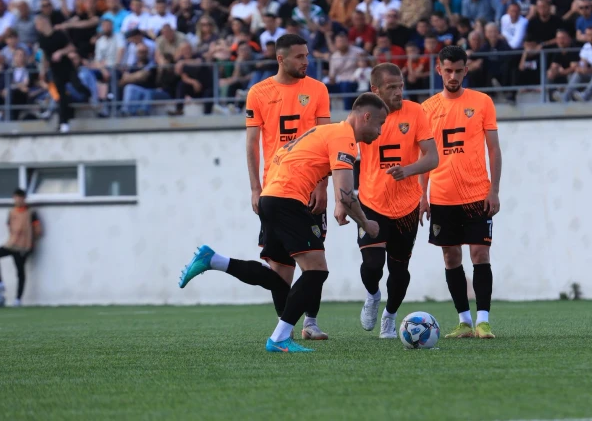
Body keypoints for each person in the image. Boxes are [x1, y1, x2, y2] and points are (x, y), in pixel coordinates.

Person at [182, 93, 387, 353]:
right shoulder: (345, 137)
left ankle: (214, 260)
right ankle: (279, 338)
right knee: (317, 271)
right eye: (380, 124)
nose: (380, 131)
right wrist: (366, 223)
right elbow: (346, 195)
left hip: (272, 197)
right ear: (366, 117)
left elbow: (292, 159)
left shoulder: (325, 131)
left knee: (279, 279)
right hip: (287, 201)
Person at [178, 34, 333, 341]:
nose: (306, 61)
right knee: (286, 270)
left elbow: (325, 140)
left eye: (307, 55)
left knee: (310, 263)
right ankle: (286, 328)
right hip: (278, 189)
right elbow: (252, 143)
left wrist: (322, 184)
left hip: (308, 186)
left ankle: (308, 323)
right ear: (281, 59)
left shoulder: (318, 89)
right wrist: (255, 188)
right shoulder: (259, 92)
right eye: (300, 57)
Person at [421, 45, 502, 339]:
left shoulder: (482, 102)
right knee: (451, 258)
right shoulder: (427, 109)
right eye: (448, 71)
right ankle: (464, 321)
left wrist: (494, 190)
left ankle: (483, 321)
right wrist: (422, 195)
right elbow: (425, 156)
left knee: (480, 253)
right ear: (439, 70)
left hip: (477, 194)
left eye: (458, 71)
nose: (453, 76)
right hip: (442, 196)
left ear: (466, 70)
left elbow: (494, 149)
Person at [357, 63, 439, 338]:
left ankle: (390, 316)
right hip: (371, 201)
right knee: (372, 265)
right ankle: (372, 295)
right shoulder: (364, 114)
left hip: (406, 205)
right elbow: (342, 151)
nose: (398, 92)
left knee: (399, 270)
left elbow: (432, 157)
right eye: (391, 87)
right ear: (375, 90)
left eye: (400, 86)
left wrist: (408, 170)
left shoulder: (415, 112)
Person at [35, 15, 90, 133]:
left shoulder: (59, 34)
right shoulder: (42, 39)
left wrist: (60, 52)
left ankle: (90, 96)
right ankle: (63, 123)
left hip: (67, 68)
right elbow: (44, 55)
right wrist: (43, 71)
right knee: (61, 97)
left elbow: (71, 47)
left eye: (38, 24)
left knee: (77, 85)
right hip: (56, 71)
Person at [0, 188, 42, 307]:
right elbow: (10, 226)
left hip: (24, 247)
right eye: (16, 198)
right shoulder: (12, 212)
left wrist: (31, 242)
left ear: (24, 198)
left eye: (20, 198)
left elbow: (38, 230)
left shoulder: (31, 212)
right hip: (11, 244)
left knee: (20, 272)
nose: (18, 200)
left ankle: (18, 299)